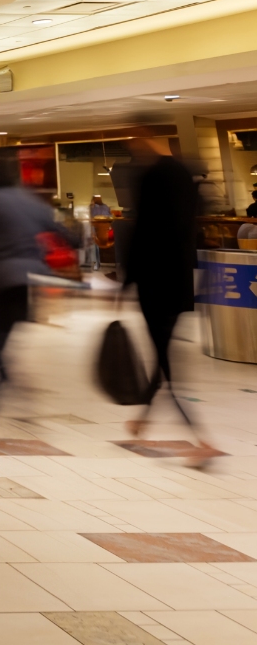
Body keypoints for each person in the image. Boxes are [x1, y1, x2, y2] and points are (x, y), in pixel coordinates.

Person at [121, 136, 216, 465]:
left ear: (147, 141)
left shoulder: (153, 178)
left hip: (154, 283)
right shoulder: (184, 175)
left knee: (165, 365)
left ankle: (202, 441)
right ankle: (142, 421)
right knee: (161, 356)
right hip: (179, 282)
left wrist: (127, 281)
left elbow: (143, 231)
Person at [0, 152, 72, 425]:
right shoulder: (33, 203)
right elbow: (66, 235)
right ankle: (13, 397)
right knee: (4, 343)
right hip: (26, 281)